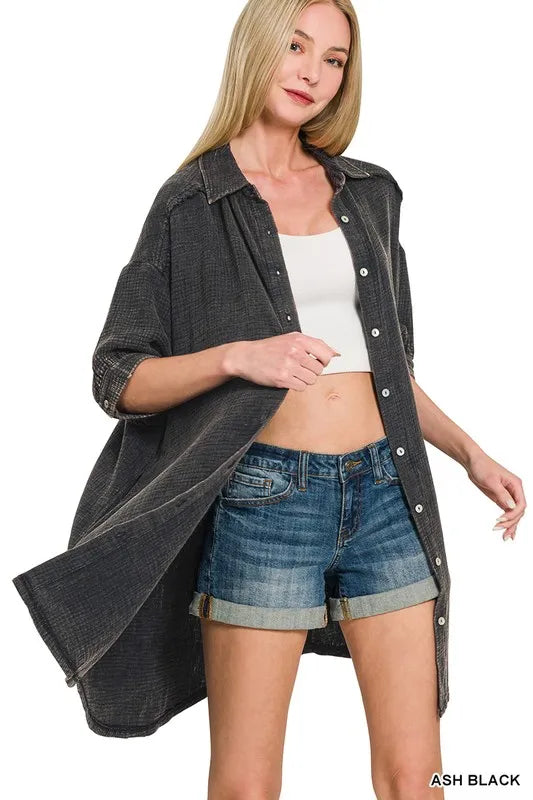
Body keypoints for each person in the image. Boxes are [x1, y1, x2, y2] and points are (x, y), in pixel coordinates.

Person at [11, 1, 525, 797]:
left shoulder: (370, 194)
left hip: (387, 494)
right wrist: (238, 357)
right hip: (265, 501)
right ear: (256, 48)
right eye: (296, 47)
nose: (312, 73)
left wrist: (470, 455)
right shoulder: (192, 203)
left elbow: (387, 369)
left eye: (334, 60)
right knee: (247, 787)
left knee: (417, 780)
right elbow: (118, 377)